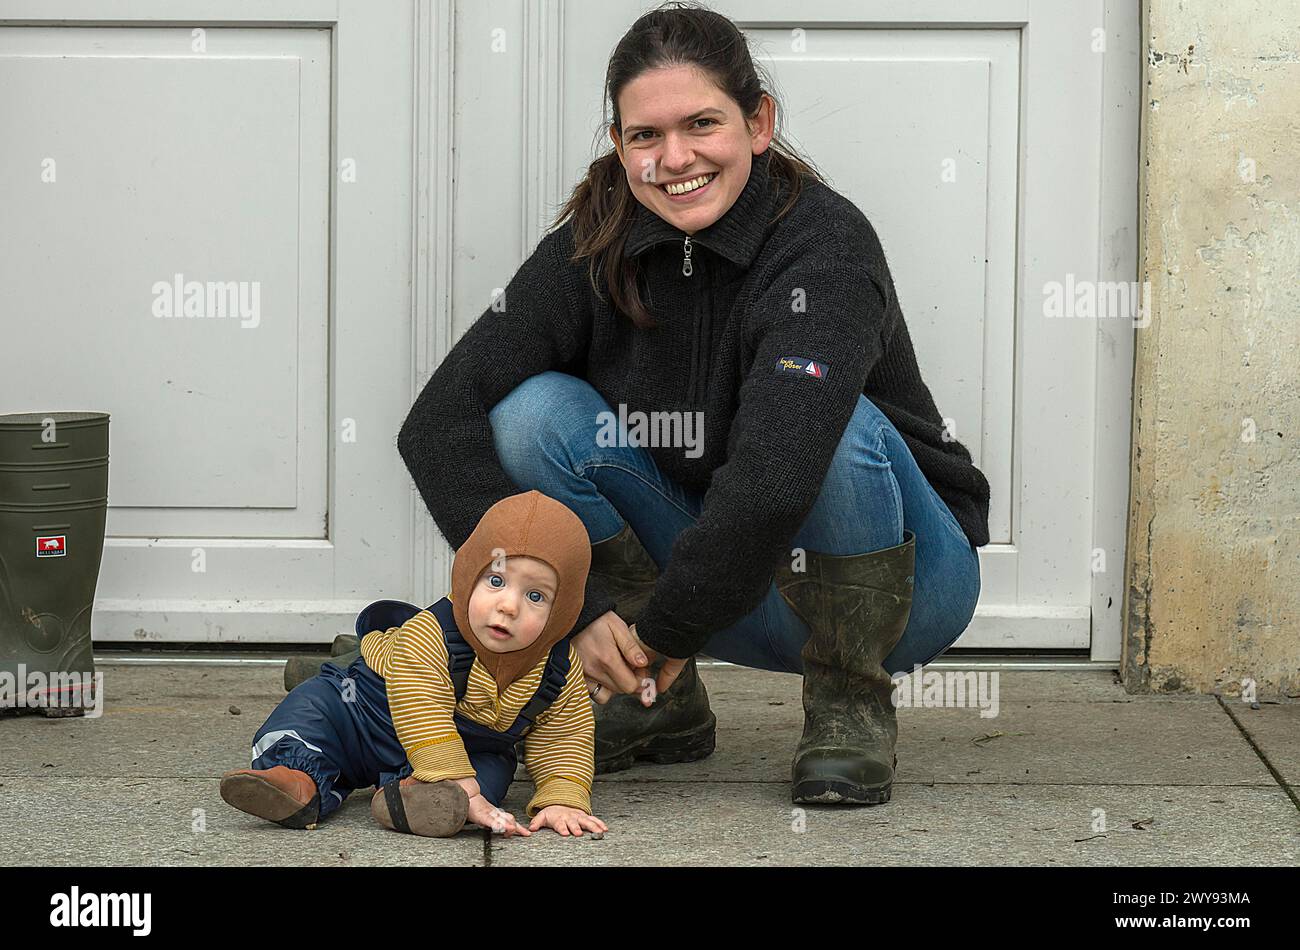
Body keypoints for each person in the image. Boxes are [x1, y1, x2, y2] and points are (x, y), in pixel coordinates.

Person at [397, 2, 987, 807]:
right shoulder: (598, 236)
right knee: (530, 414)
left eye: (702, 124)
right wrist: (576, 611)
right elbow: (436, 422)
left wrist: (662, 631)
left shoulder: (825, 244)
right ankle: (655, 703)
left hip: (908, 586)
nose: (675, 159)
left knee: (833, 422)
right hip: (720, 583)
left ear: (759, 121)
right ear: (620, 144)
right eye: (646, 136)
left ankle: (850, 701)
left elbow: (777, 479)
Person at [220, 491, 609, 837]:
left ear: (564, 611)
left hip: (462, 749)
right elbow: (422, 706)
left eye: (536, 596)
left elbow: (565, 738)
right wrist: (461, 780)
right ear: (468, 574)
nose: (508, 605)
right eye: (495, 581)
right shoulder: (431, 633)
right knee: (314, 707)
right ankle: (293, 781)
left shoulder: (559, 670)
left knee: (490, 773)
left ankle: (419, 799)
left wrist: (563, 798)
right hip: (364, 716)